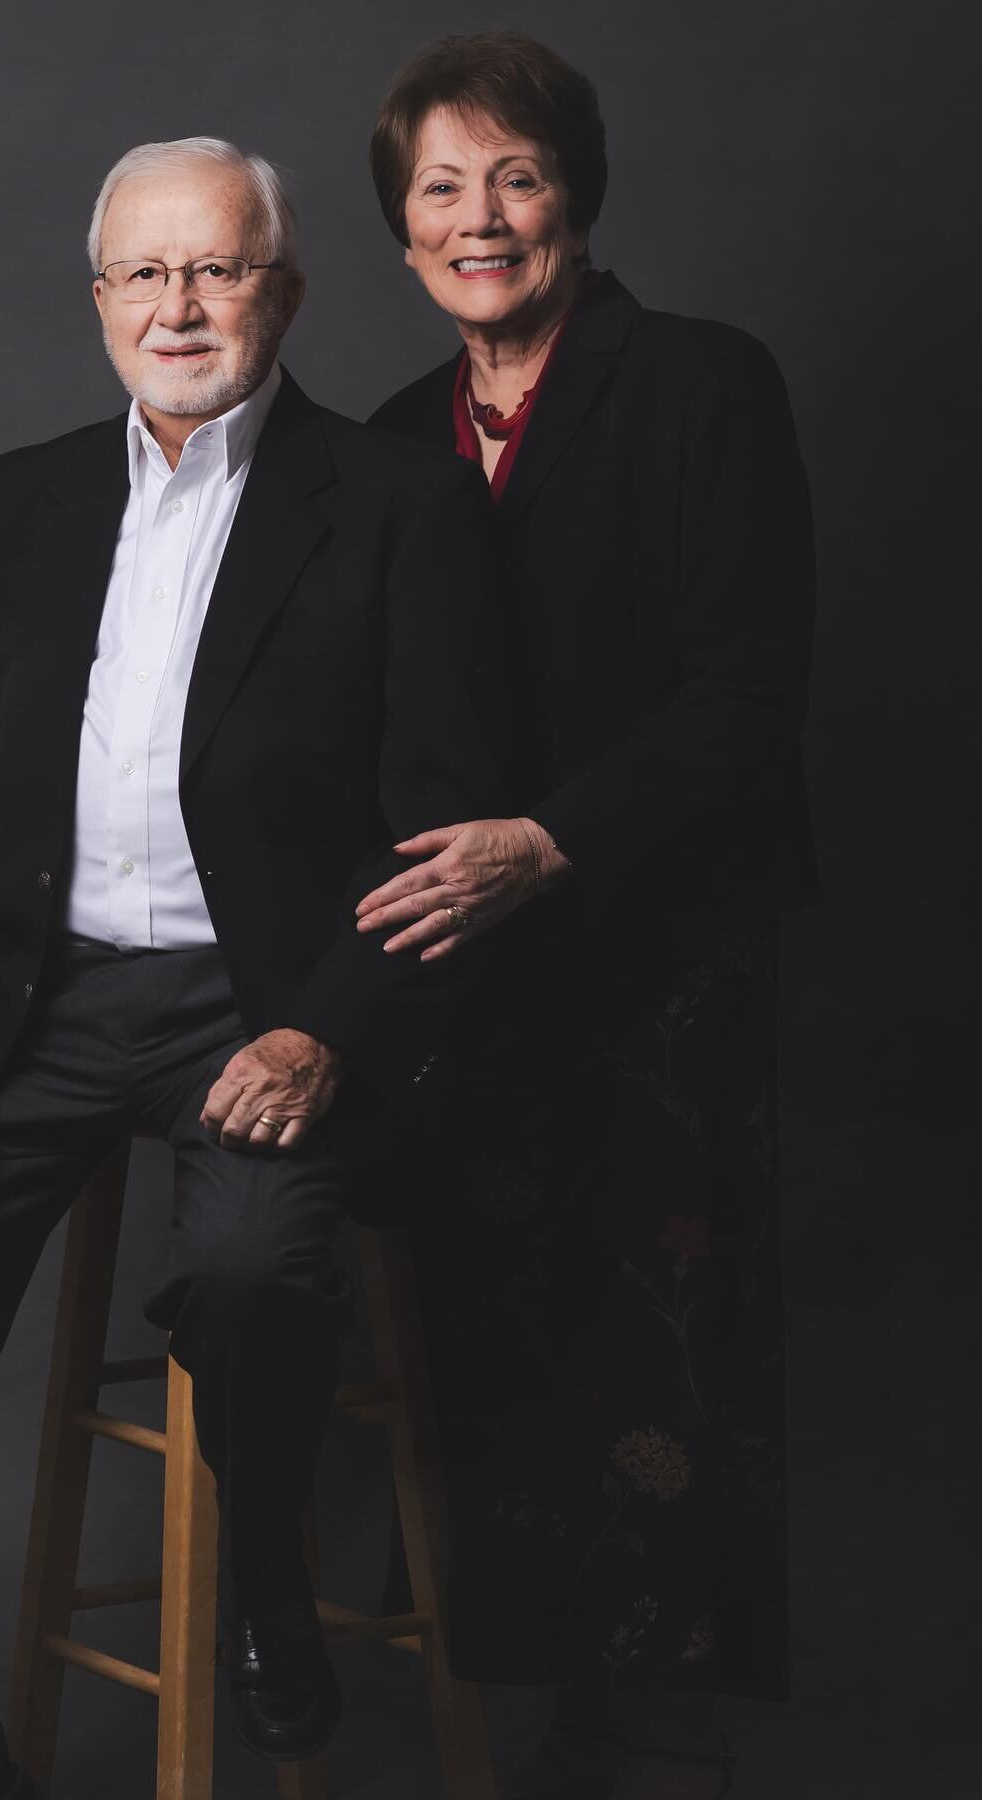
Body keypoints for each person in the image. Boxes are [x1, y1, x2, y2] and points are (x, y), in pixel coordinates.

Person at [0, 136, 503, 1800]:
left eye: (218, 268)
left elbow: (438, 815)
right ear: (100, 299)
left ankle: (263, 1584)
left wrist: (328, 1024)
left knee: (249, 1280)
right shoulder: (11, 503)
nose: (180, 307)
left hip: (270, 1004)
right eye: (144, 274)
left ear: (286, 289)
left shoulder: (397, 503)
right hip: (36, 1013)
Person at [358, 33, 818, 1800]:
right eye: (444, 191)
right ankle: (562, 1723)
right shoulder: (401, 436)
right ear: (404, 238)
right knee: (503, 1339)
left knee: (668, 1355)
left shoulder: (702, 381)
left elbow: (748, 693)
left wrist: (548, 843)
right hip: (475, 977)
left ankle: (672, 1737)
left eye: (519, 177)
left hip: (661, 951)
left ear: (580, 195)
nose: (485, 219)